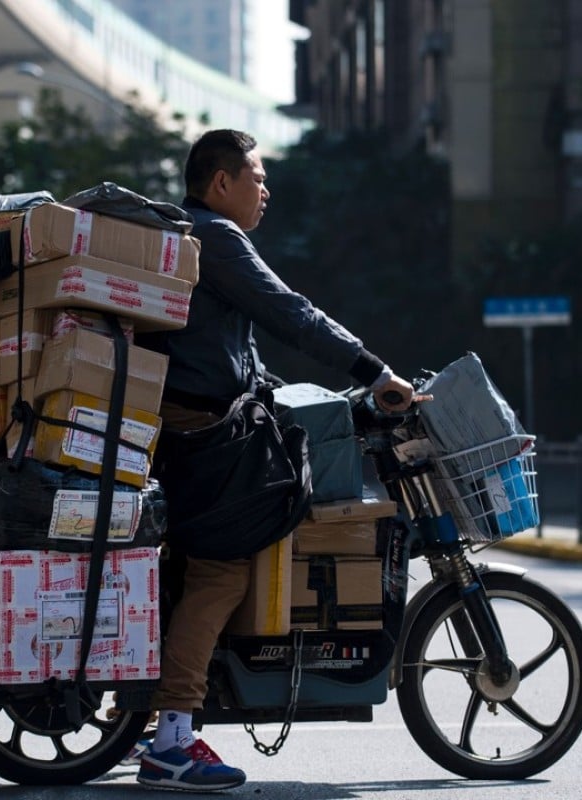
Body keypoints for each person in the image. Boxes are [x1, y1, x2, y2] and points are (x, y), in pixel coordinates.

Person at [133, 129, 416, 791]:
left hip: (184, 426)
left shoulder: (186, 235)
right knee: (221, 573)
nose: (266, 189)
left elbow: (245, 349)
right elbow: (292, 312)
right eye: (256, 177)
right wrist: (373, 371)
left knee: (200, 569)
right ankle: (171, 740)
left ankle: (153, 709)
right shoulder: (217, 238)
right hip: (205, 432)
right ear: (221, 182)